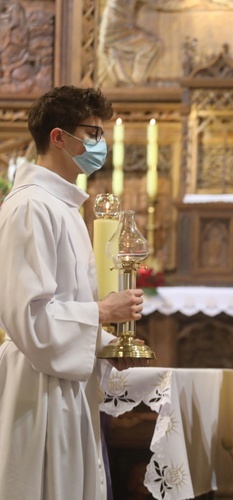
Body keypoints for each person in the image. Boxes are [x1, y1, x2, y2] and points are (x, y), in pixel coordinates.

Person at [0, 86, 146, 498]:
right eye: (92, 133)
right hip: (39, 385)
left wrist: (107, 344)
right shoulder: (31, 207)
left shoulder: (61, 206)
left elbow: (67, 305)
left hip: (65, 380)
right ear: (59, 137)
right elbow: (30, 318)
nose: (101, 145)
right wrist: (101, 313)